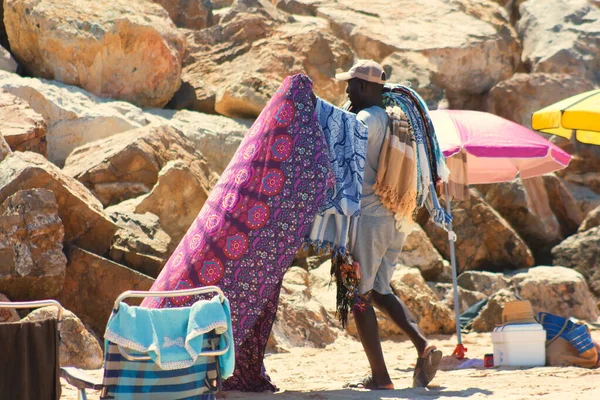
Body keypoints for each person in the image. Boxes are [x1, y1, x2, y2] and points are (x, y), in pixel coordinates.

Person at [335, 60, 442, 390]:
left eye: (351, 84)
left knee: (357, 295)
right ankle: (424, 345)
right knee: (379, 291)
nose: (347, 90)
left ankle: (381, 378)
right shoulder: (396, 118)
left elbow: (345, 157)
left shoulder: (366, 118)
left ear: (366, 87)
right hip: (395, 217)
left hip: (369, 219)